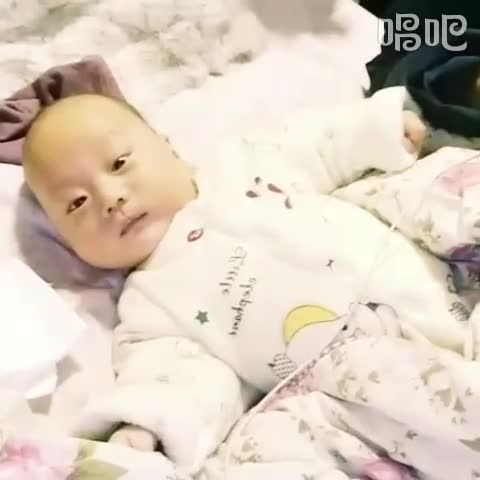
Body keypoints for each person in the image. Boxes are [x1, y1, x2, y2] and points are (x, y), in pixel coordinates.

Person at [23, 89, 467, 472]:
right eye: (76, 203)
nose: (110, 197)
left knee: (431, 187)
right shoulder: (148, 311)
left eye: (120, 163)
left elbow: (319, 145)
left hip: (441, 279)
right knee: (270, 441)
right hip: (369, 386)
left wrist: (376, 131)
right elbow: (182, 381)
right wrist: (143, 429)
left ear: (167, 146)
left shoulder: (239, 164)